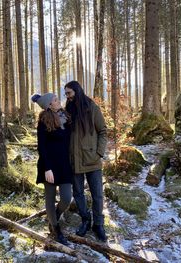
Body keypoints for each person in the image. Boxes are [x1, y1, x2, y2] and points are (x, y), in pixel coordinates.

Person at [64, 80, 108, 242]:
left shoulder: (91, 107)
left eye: (69, 93)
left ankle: (98, 224)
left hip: (92, 160)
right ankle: (85, 220)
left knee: (97, 195)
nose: (67, 97)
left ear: (77, 91)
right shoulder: (68, 109)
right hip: (74, 160)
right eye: (65, 94)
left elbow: (103, 131)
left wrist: (99, 153)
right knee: (78, 193)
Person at [32, 93, 73, 245]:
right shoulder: (43, 121)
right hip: (48, 165)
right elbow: (42, 147)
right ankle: (56, 229)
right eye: (55, 100)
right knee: (49, 199)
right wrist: (47, 168)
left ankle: (53, 217)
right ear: (49, 105)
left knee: (66, 198)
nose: (58, 101)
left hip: (64, 165)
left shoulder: (66, 117)